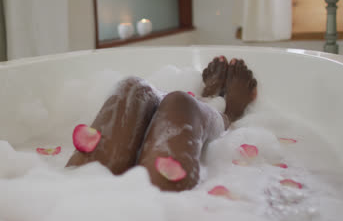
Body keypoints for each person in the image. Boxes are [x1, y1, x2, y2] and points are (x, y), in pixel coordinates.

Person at [67, 56, 257, 192]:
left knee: (133, 88)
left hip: (73, 204)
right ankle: (228, 114)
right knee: (181, 105)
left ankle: (202, 102)